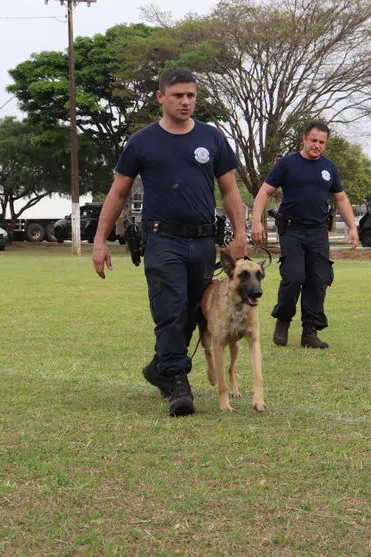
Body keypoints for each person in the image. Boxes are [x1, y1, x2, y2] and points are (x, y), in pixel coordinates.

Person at [92, 67, 247, 417]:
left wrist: (240, 234)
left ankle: (159, 367)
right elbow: (118, 192)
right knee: (170, 310)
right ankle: (177, 383)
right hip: (163, 240)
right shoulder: (142, 142)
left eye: (191, 95)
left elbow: (229, 190)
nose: (186, 101)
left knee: (194, 313)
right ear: (160, 97)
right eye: (178, 95)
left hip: (203, 242)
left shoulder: (212, 138)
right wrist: (100, 240)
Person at [250, 120, 359, 349]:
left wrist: (352, 227)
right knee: (294, 278)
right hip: (292, 230)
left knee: (318, 280)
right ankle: (283, 320)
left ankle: (310, 332)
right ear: (304, 139)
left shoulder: (329, 168)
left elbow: (340, 198)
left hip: (318, 232)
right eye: (313, 140)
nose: (317, 145)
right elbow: (264, 192)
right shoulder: (287, 163)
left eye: (322, 142)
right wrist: (256, 222)